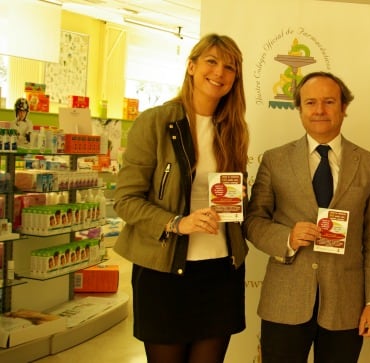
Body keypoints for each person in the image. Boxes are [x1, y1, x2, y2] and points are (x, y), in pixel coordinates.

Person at [113, 34, 249, 363]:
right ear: (191, 66)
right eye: (212, 62)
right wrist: (177, 223)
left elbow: (226, 195)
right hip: (164, 272)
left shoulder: (233, 129)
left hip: (220, 270)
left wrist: (241, 195)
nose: (220, 72)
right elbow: (125, 199)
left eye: (229, 67)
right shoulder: (156, 121)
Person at [243, 71, 370, 363]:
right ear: (299, 109)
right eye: (310, 103)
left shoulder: (369, 164)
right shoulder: (275, 159)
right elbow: (254, 221)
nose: (319, 110)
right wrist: (287, 238)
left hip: (345, 304)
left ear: (344, 107)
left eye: (329, 102)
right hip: (285, 300)